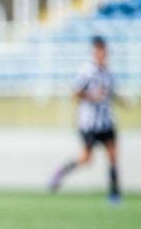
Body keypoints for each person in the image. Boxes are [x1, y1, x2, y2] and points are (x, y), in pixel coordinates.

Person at [49, 35, 122, 204]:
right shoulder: (87, 71)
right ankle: (61, 172)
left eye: (104, 50)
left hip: (106, 122)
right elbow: (75, 94)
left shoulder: (109, 74)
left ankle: (114, 193)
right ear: (94, 52)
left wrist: (122, 102)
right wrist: (92, 96)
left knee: (113, 155)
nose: (102, 53)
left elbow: (111, 95)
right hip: (89, 123)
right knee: (86, 158)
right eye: (99, 50)